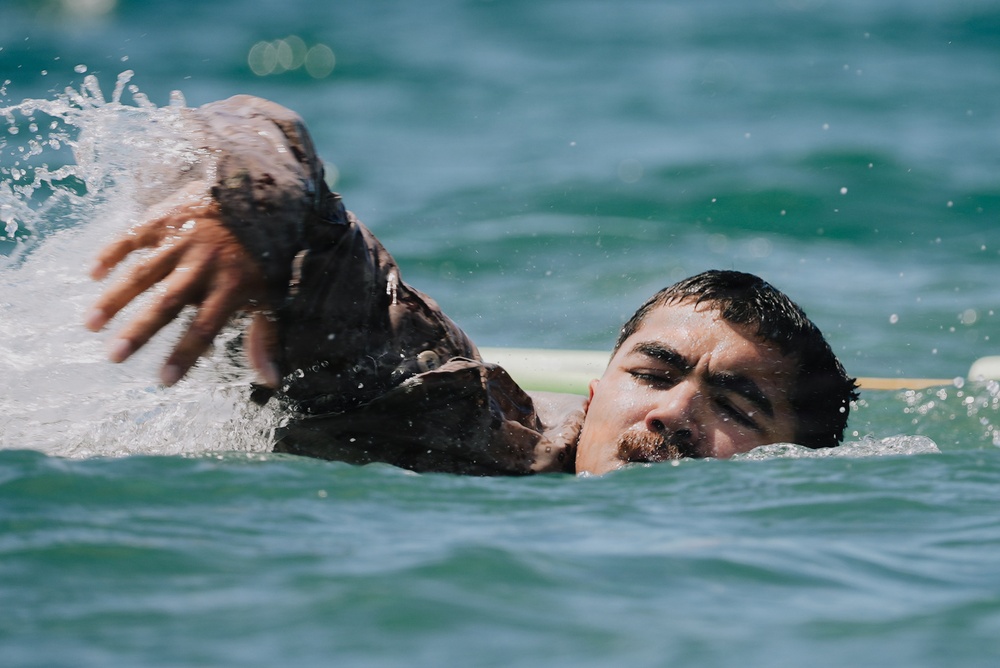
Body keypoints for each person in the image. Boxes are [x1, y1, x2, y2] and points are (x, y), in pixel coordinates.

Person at [84, 95, 858, 475]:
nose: (674, 413)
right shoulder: (445, 407)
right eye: (652, 374)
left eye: (737, 406)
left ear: (797, 463)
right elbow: (250, 124)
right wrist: (249, 218)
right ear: (594, 395)